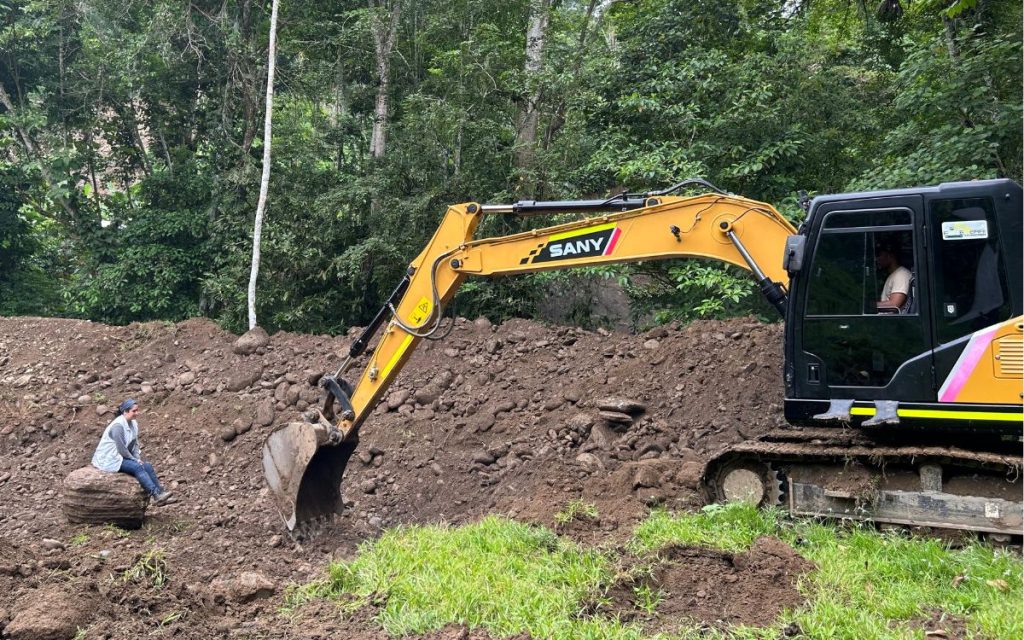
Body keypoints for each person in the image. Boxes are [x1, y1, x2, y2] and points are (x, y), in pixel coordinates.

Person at [92, 399, 173, 504]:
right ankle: (155, 494)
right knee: (137, 467)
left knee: (147, 466)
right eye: (134, 411)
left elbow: (134, 444)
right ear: (125, 412)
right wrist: (134, 460)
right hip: (110, 457)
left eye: (137, 410)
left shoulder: (133, 423)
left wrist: (137, 458)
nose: (137, 413)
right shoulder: (118, 426)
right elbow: (121, 448)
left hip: (121, 456)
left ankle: (161, 493)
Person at [876, 243, 912, 313]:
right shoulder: (894, 274)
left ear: (890, 256)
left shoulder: (901, 275)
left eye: (879, 255)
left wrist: (869, 306)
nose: (877, 259)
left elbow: (894, 304)